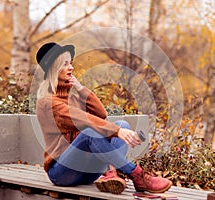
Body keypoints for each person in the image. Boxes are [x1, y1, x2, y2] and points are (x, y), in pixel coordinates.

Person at [35, 42, 172, 194]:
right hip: (61, 173)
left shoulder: (73, 96)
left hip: (87, 173)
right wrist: (116, 131)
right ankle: (137, 175)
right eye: (65, 64)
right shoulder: (47, 103)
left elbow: (101, 115)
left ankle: (112, 173)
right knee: (90, 133)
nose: (71, 68)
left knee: (123, 124)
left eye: (71, 63)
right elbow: (83, 119)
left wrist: (81, 89)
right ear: (54, 68)